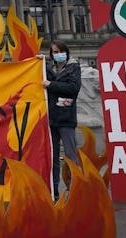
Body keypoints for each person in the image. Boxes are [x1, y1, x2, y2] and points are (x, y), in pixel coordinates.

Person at [41, 40, 82, 200]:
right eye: (54, 52)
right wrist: (37, 60)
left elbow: (73, 88)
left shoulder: (74, 66)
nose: (57, 54)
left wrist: (51, 84)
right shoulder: (48, 68)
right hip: (51, 117)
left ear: (66, 51)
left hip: (66, 117)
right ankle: (54, 189)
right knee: (53, 156)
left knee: (71, 155)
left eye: (59, 51)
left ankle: (75, 188)